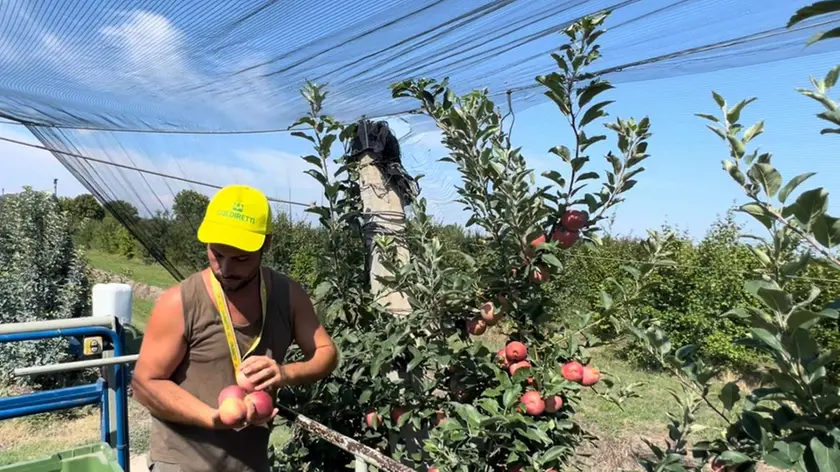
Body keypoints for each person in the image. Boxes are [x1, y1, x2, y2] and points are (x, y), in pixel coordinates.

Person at [132, 184, 339, 472]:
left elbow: (326, 352)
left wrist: (285, 373)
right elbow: (145, 385)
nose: (225, 269)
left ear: (266, 244)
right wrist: (213, 418)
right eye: (217, 254)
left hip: (250, 463)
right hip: (182, 463)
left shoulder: (287, 295)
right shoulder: (179, 302)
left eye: (241, 258)